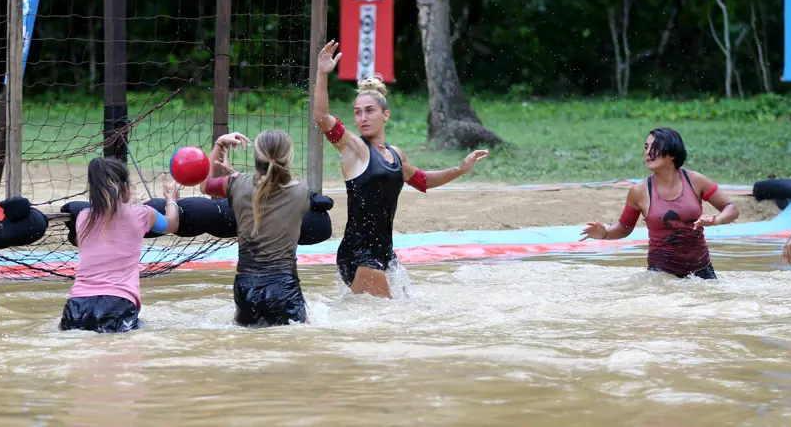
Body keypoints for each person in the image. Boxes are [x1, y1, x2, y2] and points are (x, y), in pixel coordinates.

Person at [312, 40, 489, 298]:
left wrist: (460, 169)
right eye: (358, 112)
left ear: (385, 115)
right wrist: (322, 73)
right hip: (359, 253)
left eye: (369, 111)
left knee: (396, 313)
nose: (362, 117)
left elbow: (423, 181)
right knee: (387, 320)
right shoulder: (354, 149)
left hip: (385, 254)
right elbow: (321, 117)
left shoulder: (395, 155)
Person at [579, 127, 739, 279]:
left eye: (654, 147)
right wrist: (605, 233)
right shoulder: (639, 191)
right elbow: (624, 228)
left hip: (702, 271)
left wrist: (717, 220)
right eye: (646, 147)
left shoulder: (696, 181)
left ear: (672, 153)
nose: (648, 153)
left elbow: (731, 208)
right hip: (660, 274)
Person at [201, 129, 313, 327]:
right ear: (288, 157)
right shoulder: (302, 191)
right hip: (283, 287)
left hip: (246, 288)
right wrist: (234, 174)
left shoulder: (236, 184)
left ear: (256, 157)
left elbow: (205, 185)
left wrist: (219, 144)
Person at [60, 157, 181, 333]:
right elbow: (172, 223)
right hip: (117, 303)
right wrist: (171, 200)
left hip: (77, 305)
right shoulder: (143, 214)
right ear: (125, 188)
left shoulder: (82, 217)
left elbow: (87, 244)